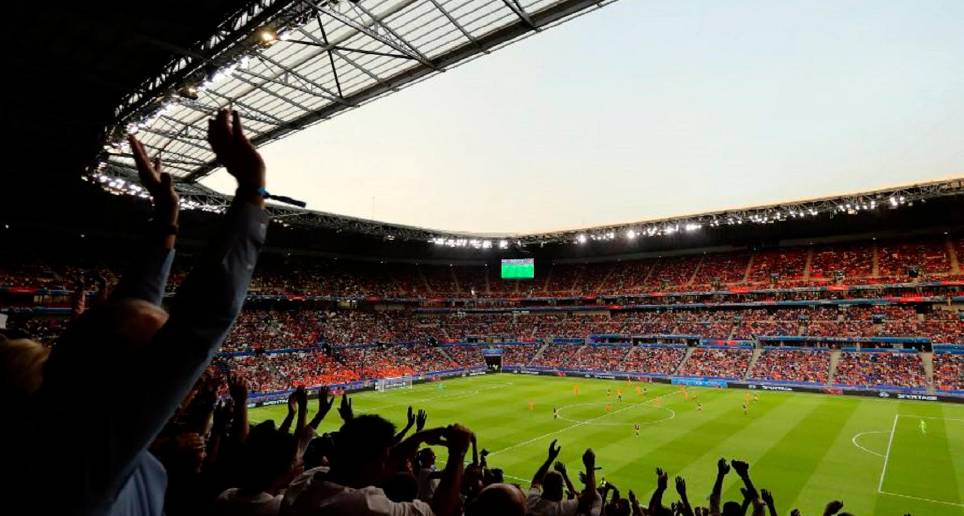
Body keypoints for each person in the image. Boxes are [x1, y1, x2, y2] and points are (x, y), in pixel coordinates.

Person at [6, 109, 268, 516]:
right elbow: (198, 327)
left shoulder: (67, 424)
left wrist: (167, 219)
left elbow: (125, 320)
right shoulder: (77, 461)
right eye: (161, 355)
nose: (170, 368)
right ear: (122, 383)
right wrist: (252, 191)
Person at [282, 415, 473, 516]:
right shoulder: (363, 506)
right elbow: (439, 511)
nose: (386, 466)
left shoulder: (307, 479)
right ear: (370, 466)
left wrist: (418, 437)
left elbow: (371, 459)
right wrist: (458, 453)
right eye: (382, 460)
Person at [526, 441, 601, 516]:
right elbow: (588, 497)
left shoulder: (532, 500)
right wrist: (590, 468)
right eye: (561, 486)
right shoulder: (561, 509)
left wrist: (550, 459)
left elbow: (536, 481)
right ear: (557, 489)